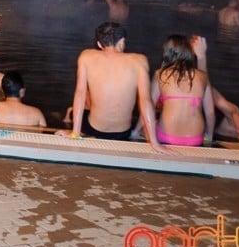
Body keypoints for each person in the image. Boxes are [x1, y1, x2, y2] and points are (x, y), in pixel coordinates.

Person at [58, 22, 169, 153]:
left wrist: (75, 134)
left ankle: (76, 128)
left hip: (94, 129)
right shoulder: (139, 61)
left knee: (86, 93)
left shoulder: (86, 56)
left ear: (99, 44)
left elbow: (80, 94)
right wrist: (154, 142)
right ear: (122, 41)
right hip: (122, 133)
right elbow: (145, 100)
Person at [140, 35, 215, 147]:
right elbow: (210, 113)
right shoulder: (203, 76)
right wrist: (209, 136)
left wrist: (136, 131)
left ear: (167, 53)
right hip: (195, 139)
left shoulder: (160, 74)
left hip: (166, 136)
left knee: (146, 128)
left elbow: (148, 105)